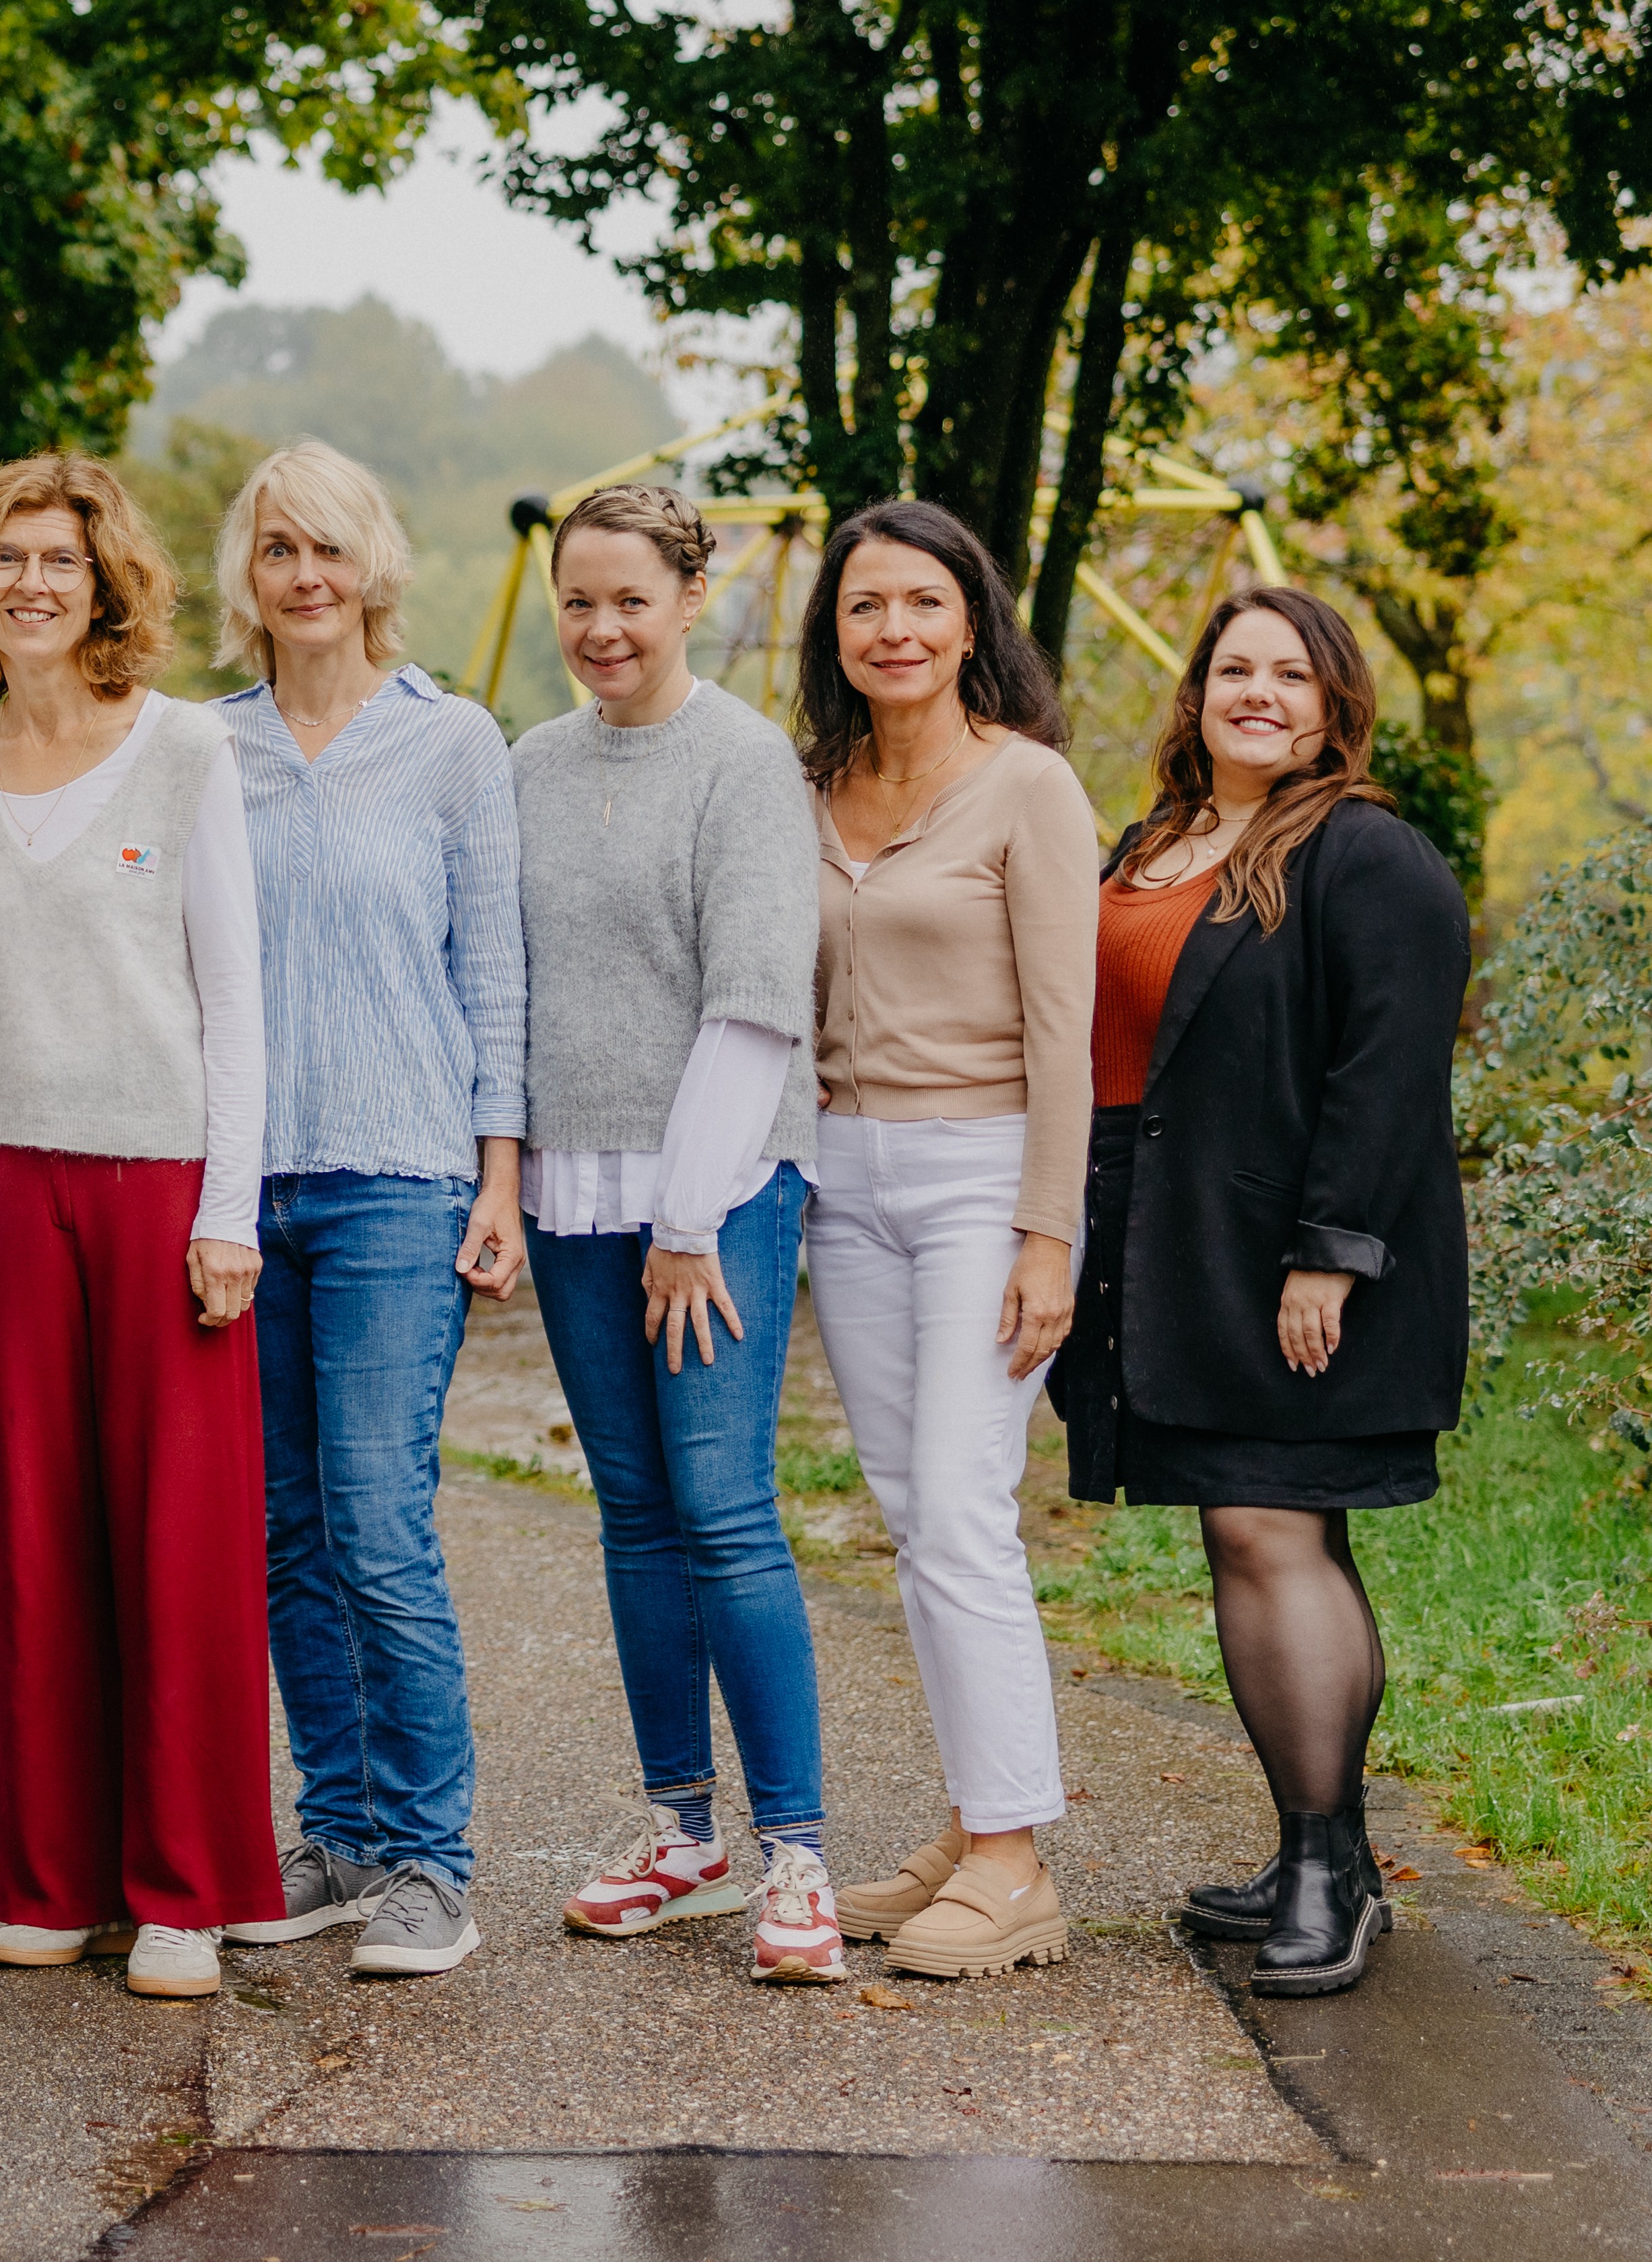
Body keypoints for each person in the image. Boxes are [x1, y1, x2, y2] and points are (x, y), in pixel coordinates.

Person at [1057, 587, 1467, 1999]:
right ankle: (1330, 1852)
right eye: (1234, 668)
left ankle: (1320, 1871)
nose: (1258, 692)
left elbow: (1390, 1068)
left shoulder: (1365, 851)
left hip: (1300, 1253)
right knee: (1262, 1529)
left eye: (1291, 674)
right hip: (1171, 1236)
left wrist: (1328, 1251)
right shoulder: (1152, 843)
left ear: (1332, 703)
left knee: (1264, 1523)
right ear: (1197, 695)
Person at [0, 453, 277, 2002]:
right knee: (36, 1540)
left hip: (159, 1186)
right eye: (4, 560)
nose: (31, 583)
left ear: (104, 582)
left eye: (58, 559)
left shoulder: (186, 750)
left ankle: (185, 1887)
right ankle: (52, 1876)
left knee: (180, 1548)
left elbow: (234, 995)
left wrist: (228, 1207)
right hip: (3, 1183)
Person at [513, 484, 847, 1987]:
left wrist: (689, 1217)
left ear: (691, 596)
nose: (602, 628)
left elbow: (756, 1002)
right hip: (572, 1191)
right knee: (634, 1511)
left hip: (711, 1193)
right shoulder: (528, 764)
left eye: (630, 600)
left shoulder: (744, 762)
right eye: (577, 601)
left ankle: (797, 1851)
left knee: (722, 1508)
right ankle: (680, 1832)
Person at [205, 443, 523, 1980]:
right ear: (247, 574)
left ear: (373, 563)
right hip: (241, 1191)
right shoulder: (204, 750)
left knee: (378, 1523)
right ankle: (333, 1833)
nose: (305, 574)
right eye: (278, 548)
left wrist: (500, 1177)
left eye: (328, 546)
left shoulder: (452, 743)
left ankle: (428, 1862)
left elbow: (494, 973)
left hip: (400, 1180)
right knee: (282, 1529)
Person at [789, 501, 1099, 1980]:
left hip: (983, 1173)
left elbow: (1064, 1030)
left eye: (922, 601)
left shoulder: (1027, 785)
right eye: (865, 606)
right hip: (841, 1178)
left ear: (971, 622)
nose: (894, 629)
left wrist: (1047, 1231)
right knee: (913, 1509)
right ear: (835, 632)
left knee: (967, 1508)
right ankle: (976, 1816)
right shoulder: (808, 787)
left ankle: (1012, 1863)